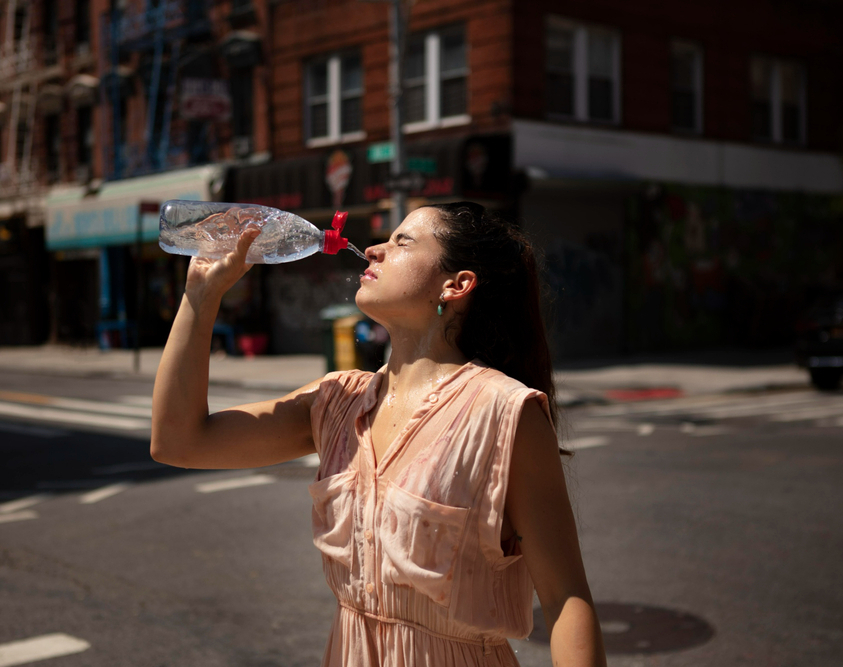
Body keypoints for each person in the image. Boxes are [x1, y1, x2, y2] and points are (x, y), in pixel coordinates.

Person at [151, 202, 606, 667]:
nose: (373, 249)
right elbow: (178, 442)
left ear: (457, 285)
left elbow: (565, 597)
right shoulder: (334, 402)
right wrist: (200, 298)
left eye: (402, 241)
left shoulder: (505, 412)